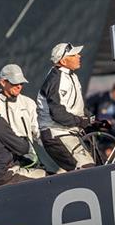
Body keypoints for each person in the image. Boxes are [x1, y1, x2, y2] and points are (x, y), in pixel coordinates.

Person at [37, 43, 96, 171]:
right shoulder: (56, 79)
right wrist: (81, 121)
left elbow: (74, 106)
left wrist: (91, 118)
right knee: (86, 168)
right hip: (56, 134)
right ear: (63, 61)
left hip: (68, 132)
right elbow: (58, 114)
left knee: (97, 164)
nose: (79, 56)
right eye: (74, 55)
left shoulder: (71, 75)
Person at [0, 64, 41, 168]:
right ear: (3, 82)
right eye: (14, 82)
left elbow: (38, 132)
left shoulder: (28, 103)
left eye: (21, 83)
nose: (19, 86)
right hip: (4, 161)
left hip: (28, 158)